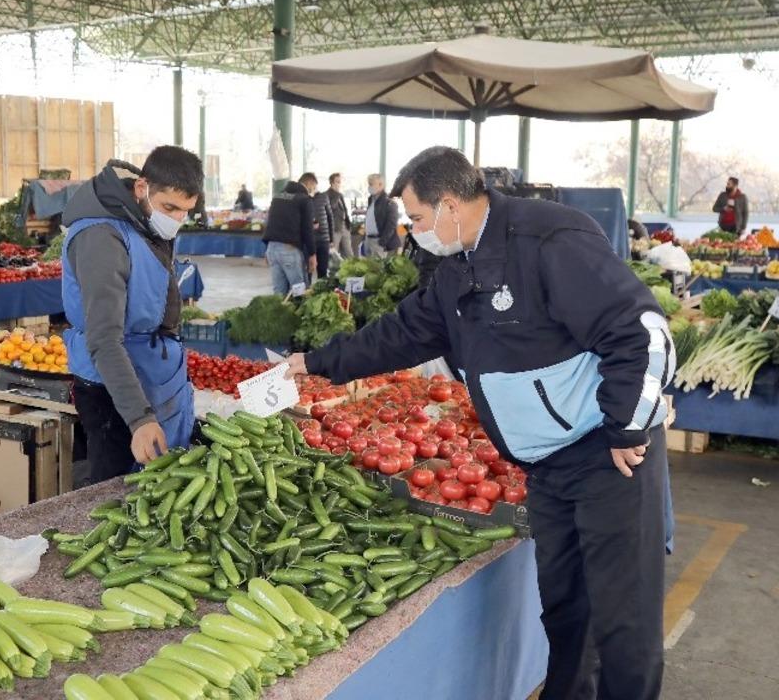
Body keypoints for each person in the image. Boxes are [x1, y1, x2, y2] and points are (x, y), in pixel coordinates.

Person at [286, 146, 671, 700]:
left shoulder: (550, 240)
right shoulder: (456, 271)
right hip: (546, 466)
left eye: (416, 219)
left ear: (448, 206)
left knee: (624, 620)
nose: (414, 231)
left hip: (608, 456)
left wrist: (627, 427)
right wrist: (318, 362)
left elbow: (642, 332)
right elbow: (396, 334)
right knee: (566, 610)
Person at [61, 148, 202, 482]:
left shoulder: (141, 219)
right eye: (170, 207)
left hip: (150, 371)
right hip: (112, 388)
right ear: (142, 188)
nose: (177, 219)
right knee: (117, 494)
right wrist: (139, 419)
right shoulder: (101, 238)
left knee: (157, 489)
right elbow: (104, 340)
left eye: (186, 211)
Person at [262, 173, 317, 294]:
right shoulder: (304, 200)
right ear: (309, 184)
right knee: (300, 292)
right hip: (289, 250)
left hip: (272, 249)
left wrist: (266, 249)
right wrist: (312, 253)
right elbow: (307, 229)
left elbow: (269, 223)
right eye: (314, 188)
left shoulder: (277, 197)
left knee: (279, 294)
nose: (313, 191)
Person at [364, 173, 401, 256]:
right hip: (369, 240)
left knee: (378, 268)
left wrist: (382, 242)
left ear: (380, 185)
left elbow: (391, 225)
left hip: (378, 242)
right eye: (369, 184)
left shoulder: (389, 202)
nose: (369, 187)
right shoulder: (371, 200)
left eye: (371, 184)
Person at [326, 173, 354, 259]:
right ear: (332, 183)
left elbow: (344, 210)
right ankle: (333, 271)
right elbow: (331, 208)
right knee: (334, 253)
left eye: (340, 181)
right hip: (335, 228)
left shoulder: (340, 195)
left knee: (348, 252)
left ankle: (349, 269)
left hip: (344, 226)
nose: (339, 184)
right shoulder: (327, 194)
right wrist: (336, 194)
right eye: (337, 182)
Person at [311, 179, 333, 279]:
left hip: (324, 239)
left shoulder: (323, 197)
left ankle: (322, 291)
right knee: (309, 269)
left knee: (323, 269)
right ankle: (307, 291)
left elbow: (330, 217)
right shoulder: (304, 198)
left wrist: (331, 239)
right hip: (309, 240)